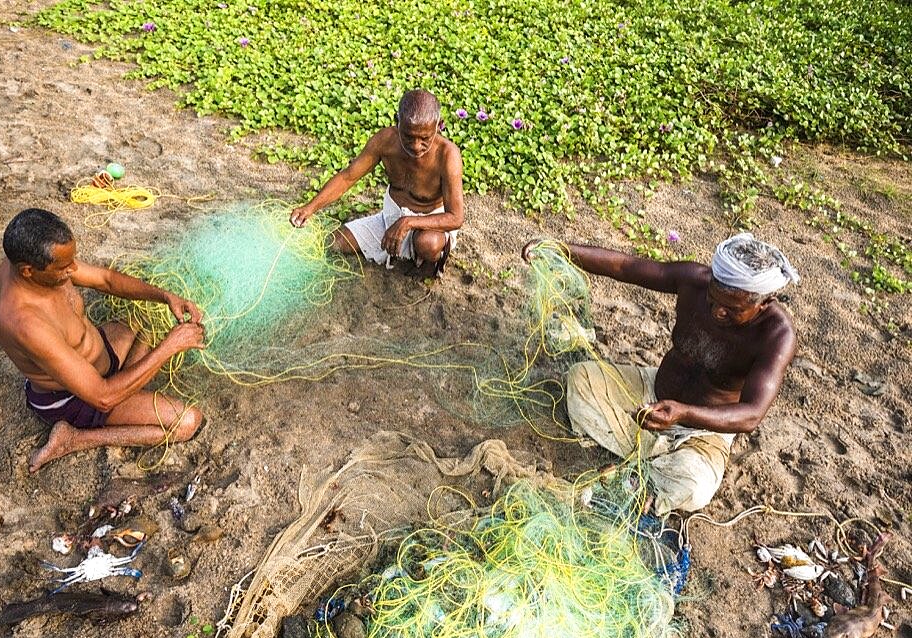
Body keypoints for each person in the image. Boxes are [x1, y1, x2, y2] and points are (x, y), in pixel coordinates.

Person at [522, 232, 799, 513]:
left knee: (694, 488)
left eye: (732, 309)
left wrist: (684, 414)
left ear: (764, 303)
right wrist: (562, 250)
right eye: (713, 300)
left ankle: (644, 467)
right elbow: (626, 267)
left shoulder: (777, 335)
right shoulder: (695, 281)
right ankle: (645, 469)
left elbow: (751, 414)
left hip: (703, 431)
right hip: (651, 395)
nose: (717, 312)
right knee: (580, 380)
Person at [0, 208, 207, 473]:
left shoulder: (36, 266)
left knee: (142, 321)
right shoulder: (25, 323)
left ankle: (128, 387)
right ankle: (73, 439)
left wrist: (165, 296)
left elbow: (106, 280)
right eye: (63, 267)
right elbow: (103, 397)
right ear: (28, 271)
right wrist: (171, 346)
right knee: (187, 421)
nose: (73, 270)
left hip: (99, 360)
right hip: (75, 398)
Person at [290, 89, 464, 277]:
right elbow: (348, 177)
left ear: (439, 126)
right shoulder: (385, 141)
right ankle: (396, 246)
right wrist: (310, 208)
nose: (415, 145)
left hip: (429, 226)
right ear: (397, 123)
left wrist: (408, 222)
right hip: (390, 219)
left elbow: (455, 217)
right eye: (408, 136)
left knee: (427, 244)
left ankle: (429, 265)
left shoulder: (448, 155)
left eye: (425, 138)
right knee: (334, 242)